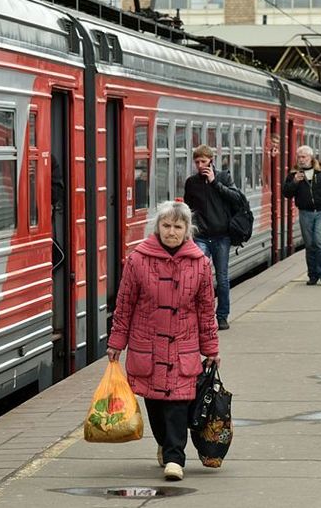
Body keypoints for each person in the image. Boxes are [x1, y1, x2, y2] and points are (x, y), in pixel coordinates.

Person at [106, 201, 220, 481]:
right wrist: (116, 342)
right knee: (155, 405)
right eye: (166, 225)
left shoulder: (201, 264)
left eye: (178, 227)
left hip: (183, 346)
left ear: (187, 231)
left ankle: (174, 458)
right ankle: (163, 442)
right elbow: (125, 304)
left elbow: (206, 310)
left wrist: (211, 349)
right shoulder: (137, 260)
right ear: (157, 227)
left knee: (178, 405)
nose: (172, 231)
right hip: (147, 345)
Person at [184, 145, 239, 330]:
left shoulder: (224, 177)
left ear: (211, 160)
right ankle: (200, 317)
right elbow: (188, 208)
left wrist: (215, 182)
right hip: (201, 236)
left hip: (222, 236)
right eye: (197, 162)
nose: (200, 165)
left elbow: (236, 198)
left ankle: (222, 316)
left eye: (203, 161)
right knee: (198, 276)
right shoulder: (191, 182)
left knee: (222, 278)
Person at [282, 145, 321, 285]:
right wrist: (295, 182)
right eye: (299, 157)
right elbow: (286, 193)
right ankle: (312, 275)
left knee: (319, 240)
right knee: (310, 244)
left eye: (304, 157)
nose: (301, 160)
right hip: (305, 213)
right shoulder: (294, 174)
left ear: (311, 157)